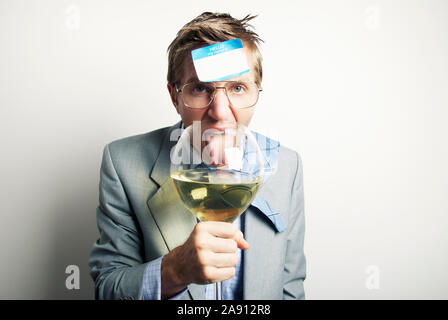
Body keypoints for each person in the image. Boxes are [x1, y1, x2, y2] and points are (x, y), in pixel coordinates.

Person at [89, 12, 306, 300]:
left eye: (238, 88)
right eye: (201, 88)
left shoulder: (287, 166)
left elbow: (291, 288)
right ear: (174, 96)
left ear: (257, 91)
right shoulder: (122, 163)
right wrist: (176, 270)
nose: (219, 112)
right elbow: (107, 289)